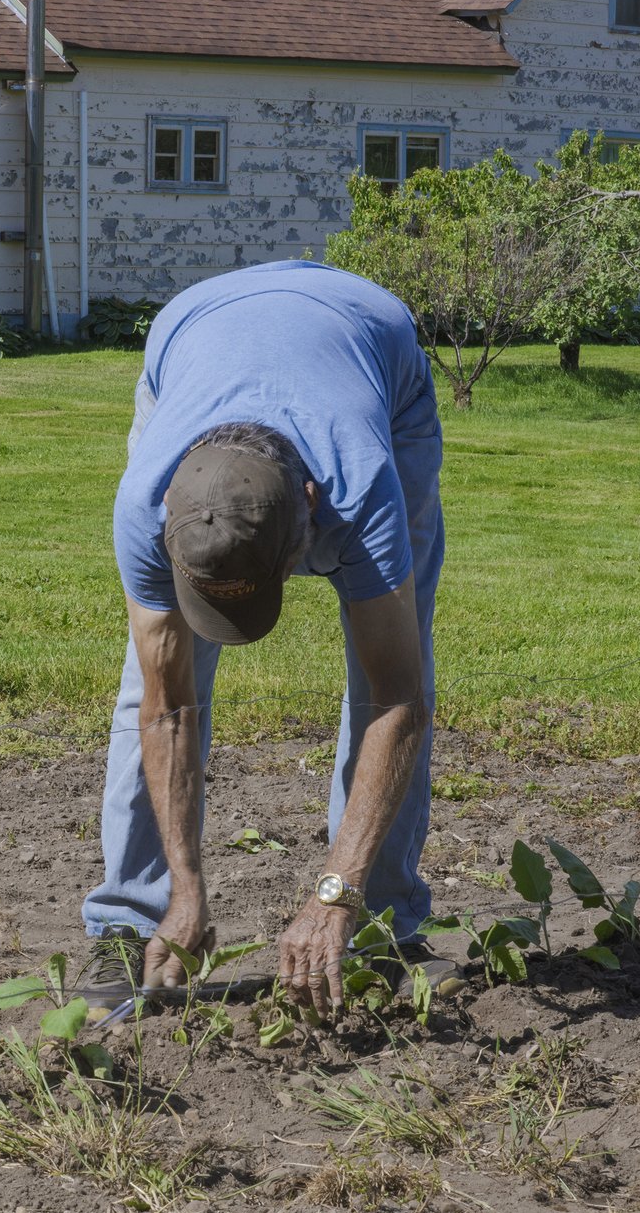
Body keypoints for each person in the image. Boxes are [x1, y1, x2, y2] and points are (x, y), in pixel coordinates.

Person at [82, 258, 442, 1013]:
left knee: (394, 662)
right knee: (145, 678)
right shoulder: (149, 504)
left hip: (371, 344)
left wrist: (333, 890)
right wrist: (188, 888)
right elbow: (166, 704)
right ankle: (133, 918)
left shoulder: (359, 486)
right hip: (195, 329)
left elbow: (395, 698)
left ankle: (375, 920)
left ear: (312, 518)